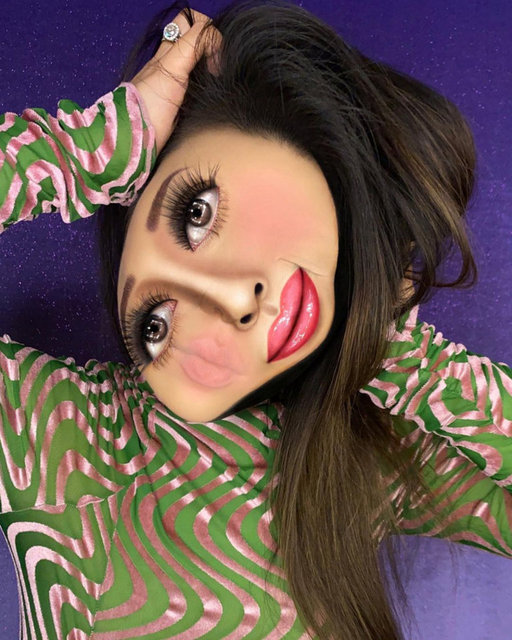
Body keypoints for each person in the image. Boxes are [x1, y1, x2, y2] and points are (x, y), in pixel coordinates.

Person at [0, 1, 510, 638]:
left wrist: (385, 345)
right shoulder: (54, 426)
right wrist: (88, 150)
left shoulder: (361, 459)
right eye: (155, 321)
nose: (231, 304)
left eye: (197, 214)